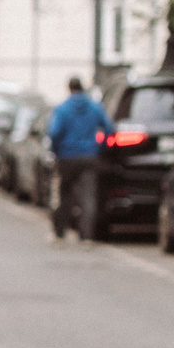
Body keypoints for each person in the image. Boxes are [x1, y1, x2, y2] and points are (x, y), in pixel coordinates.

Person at [47, 74, 113, 244]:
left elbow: (54, 133)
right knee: (88, 197)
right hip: (89, 156)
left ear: (69, 88)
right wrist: (100, 147)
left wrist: (57, 150)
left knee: (64, 195)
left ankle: (60, 233)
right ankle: (87, 236)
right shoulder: (94, 107)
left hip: (66, 157)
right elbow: (109, 129)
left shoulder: (62, 109)